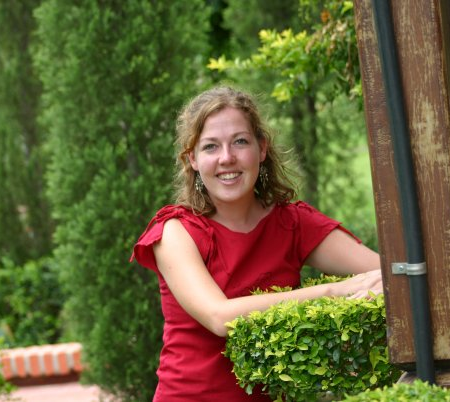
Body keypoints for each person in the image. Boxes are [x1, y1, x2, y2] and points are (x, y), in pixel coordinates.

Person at [131, 86, 383, 401]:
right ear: (192, 159)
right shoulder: (175, 233)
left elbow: (388, 272)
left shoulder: (292, 224)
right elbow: (220, 317)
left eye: (240, 141)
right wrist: (337, 291)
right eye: (211, 146)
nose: (227, 158)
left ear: (261, 149)